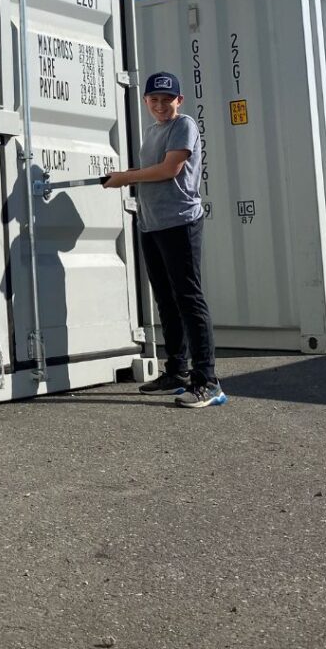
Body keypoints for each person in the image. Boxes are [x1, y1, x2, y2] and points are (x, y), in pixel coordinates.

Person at [103, 71, 227, 408]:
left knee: (189, 298)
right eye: (153, 99)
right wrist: (126, 179)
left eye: (166, 99)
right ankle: (178, 371)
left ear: (179, 100)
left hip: (180, 223)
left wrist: (125, 177)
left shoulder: (183, 125)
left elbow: (168, 169)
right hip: (152, 224)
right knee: (167, 301)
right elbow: (153, 173)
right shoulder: (151, 131)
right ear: (145, 101)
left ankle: (208, 381)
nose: (160, 104)